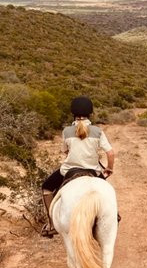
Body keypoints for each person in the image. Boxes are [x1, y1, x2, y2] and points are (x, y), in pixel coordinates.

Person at [41, 96, 115, 237]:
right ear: (90, 113)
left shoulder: (66, 131)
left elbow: (66, 151)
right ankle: (114, 216)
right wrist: (109, 168)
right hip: (93, 171)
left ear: (73, 113)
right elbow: (110, 153)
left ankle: (51, 225)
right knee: (107, 193)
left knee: (46, 187)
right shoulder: (98, 131)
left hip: (69, 171)